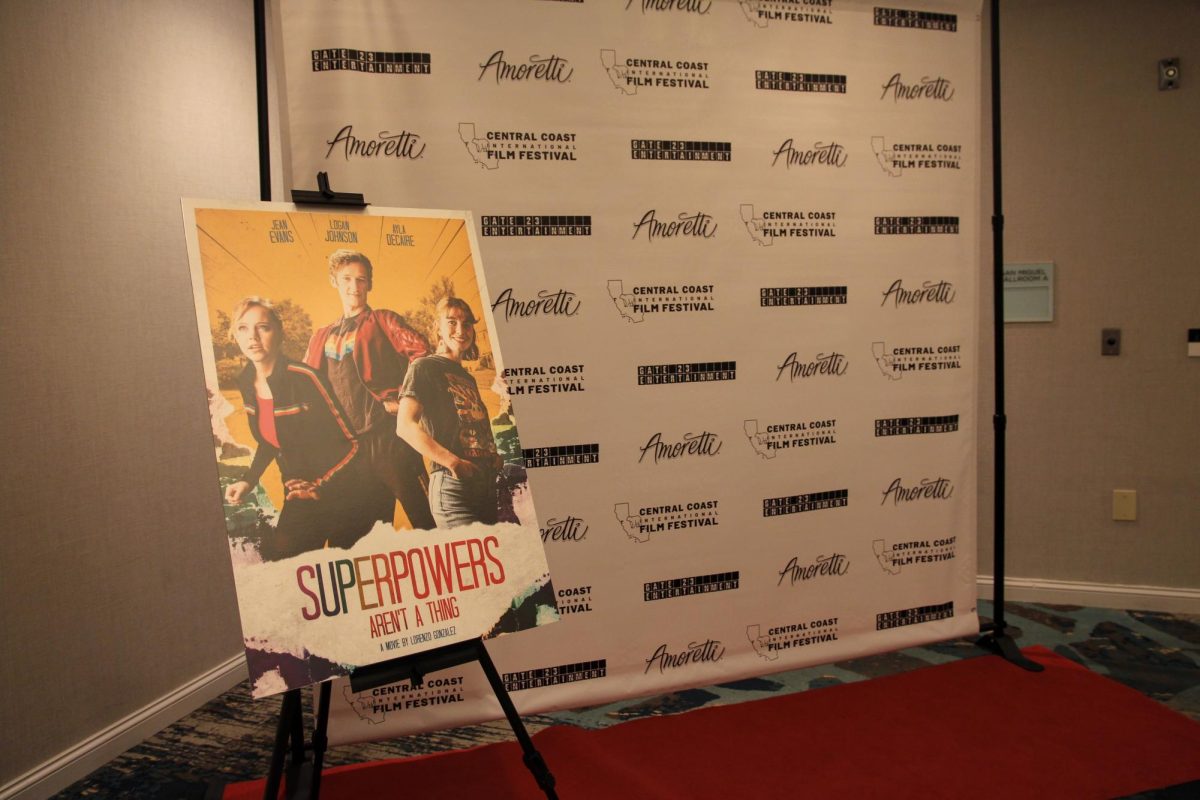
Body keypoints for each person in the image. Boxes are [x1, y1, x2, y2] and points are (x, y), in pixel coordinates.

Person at [224, 297, 375, 559]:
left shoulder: (305, 377)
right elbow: (273, 440)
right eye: (243, 328)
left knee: (346, 578)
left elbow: (352, 443)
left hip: (348, 494)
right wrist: (248, 481)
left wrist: (318, 484)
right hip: (299, 493)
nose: (253, 337)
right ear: (235, 336)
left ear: (279, 332)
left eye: (263, 327)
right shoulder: (245, 381)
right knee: (286, 566)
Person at [303, 249, 436, 530]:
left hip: (389, 438)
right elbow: (306, 385)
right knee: (372, 530)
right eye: (347, 279)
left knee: (427, 517)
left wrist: (404, 398)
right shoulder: (321, 335)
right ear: (334, 282)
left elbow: (422, 354)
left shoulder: (383, 320)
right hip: (349, 449)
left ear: (369, 284)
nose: (354, 287)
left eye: (361, 280)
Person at [395, 297, 501, 528]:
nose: (461, 330)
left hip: (486, 485)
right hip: (453, 487)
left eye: (466, 324)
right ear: (438, 329)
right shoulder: (424, 367)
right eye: (451, 322)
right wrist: (453, 462)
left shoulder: (468, 377)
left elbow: (470, 422)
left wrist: (492, 454)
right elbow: (404, 425)